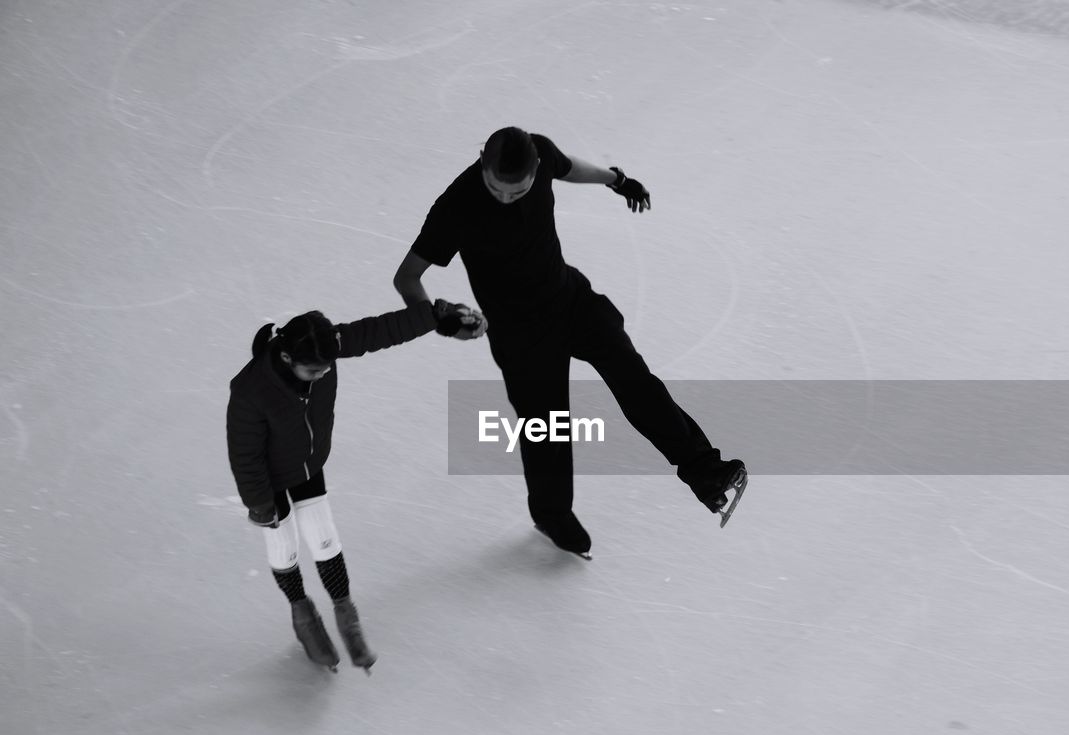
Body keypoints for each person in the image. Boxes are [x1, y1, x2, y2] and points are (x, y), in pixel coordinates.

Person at [393, 126, 746, 558]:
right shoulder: (457, 205)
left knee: (634, 378)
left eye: (517, 190)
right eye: (495, 188)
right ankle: (551, 515)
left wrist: (616, 179)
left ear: (533, 171)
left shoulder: (540, 153)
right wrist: (441, 320)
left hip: (569, 299)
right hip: (521, 336)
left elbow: (569, 166)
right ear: (482, 161)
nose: (505, 198)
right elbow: (407, 276)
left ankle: (704, 470)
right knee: (547, 432)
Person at [226, 300, 483, 670]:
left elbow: (379, 331)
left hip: (307, 465)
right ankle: (303, 614)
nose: (323, 373)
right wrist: (261, 505)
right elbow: (244, 456)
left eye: (327, 368)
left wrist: (433, 315)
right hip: (268, 481)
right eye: (314, 371)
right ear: (286, 359)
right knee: (285, 549)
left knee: (324, 538)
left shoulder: (322, 344)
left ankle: (346, 613)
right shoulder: (250, 391)